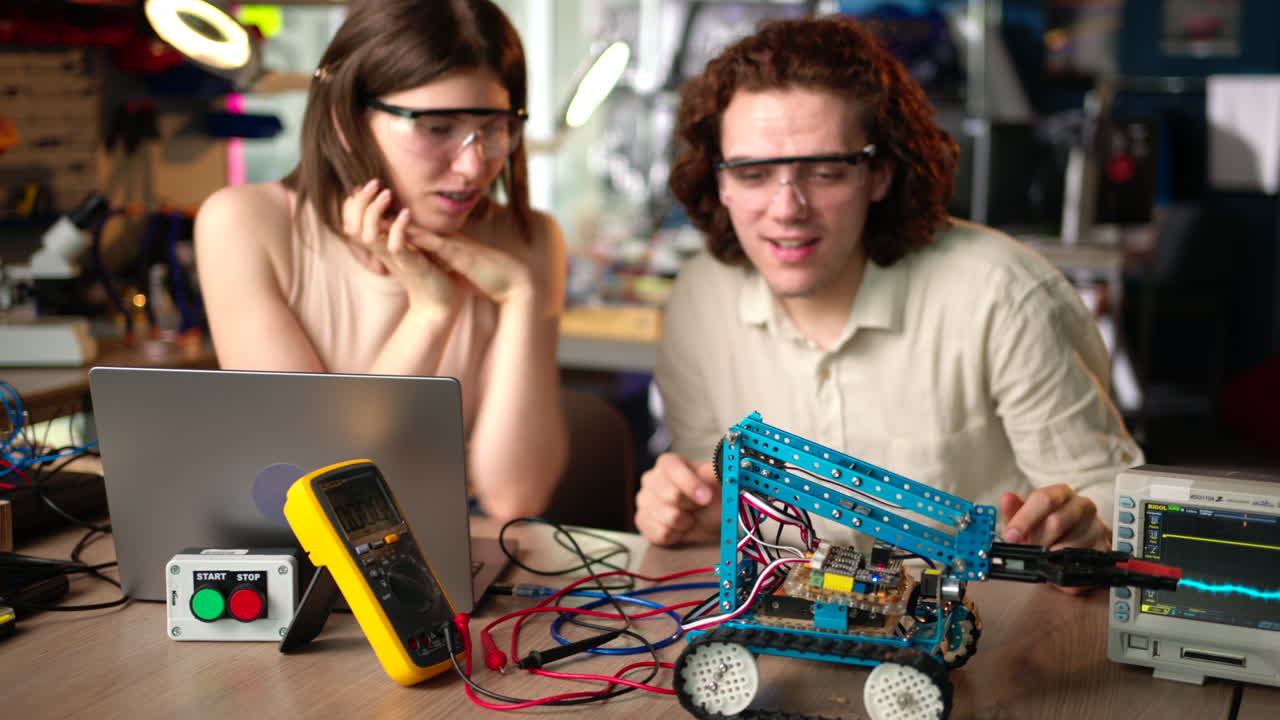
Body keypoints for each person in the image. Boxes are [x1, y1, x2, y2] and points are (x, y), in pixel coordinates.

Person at [633, 16, 1144, 581]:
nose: (786, 208)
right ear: (720, 180)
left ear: (878, 175)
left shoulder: (1005, 297)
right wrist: (687, 511)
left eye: (825, 171)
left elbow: (1117, 507)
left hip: (991, 631)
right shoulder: (700, 298)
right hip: (796, 634)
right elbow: (722, 509)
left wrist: (1088, 530)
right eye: (753, 173)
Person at [194, 0, 567, 522]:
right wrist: (430, 312)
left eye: (494, 128)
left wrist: (522, 296)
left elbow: (515, 499)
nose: (473, 164)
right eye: (438, 128)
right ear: (345, 121)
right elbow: (314, 488)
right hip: (314, 559)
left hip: (466, 551)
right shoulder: (245, 224)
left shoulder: (528, 240)